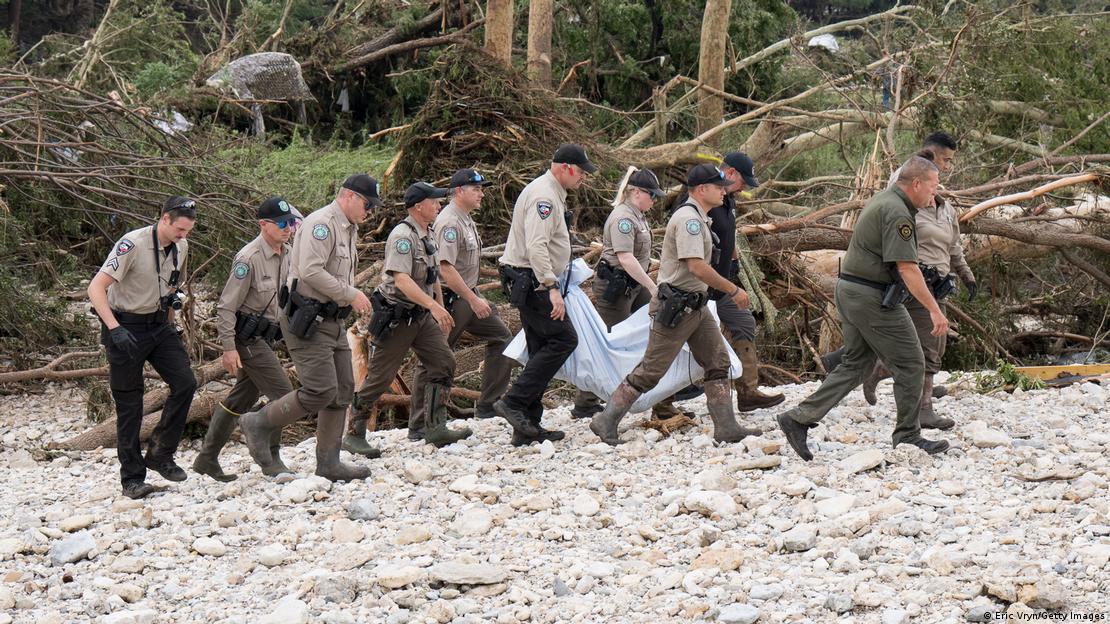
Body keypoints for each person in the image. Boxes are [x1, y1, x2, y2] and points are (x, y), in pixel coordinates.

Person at [777, 155, 951, 461]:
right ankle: (908, 436)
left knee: (856, 364)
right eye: (933, 187)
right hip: (872, 297)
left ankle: (799, 418)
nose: (935, 194)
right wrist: (935, 309)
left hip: (852, 291)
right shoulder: (899, 213)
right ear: (917, 183)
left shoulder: (884, 200)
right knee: (912, 363)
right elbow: (907, 268)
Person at [590, 164, 762, 446]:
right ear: (702, 189)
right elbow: (695, 266)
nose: (723, 191)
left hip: (696, 305)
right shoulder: (688, 220)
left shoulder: (700, 217)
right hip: (678, 307)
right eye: (718, 186)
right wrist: (732, 289)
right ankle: (605, 419)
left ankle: (727, 426)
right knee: (651, 371)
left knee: (718, 362)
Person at [239, 174, 379, 481]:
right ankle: (258, 423)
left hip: (332, 319)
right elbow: (310, 271)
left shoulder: (347, 227)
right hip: (307, 320)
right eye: (368, 204)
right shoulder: (322, 224)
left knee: (342, 390)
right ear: (349, 196)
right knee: (320, 390)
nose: (370, 212)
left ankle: (329, 463)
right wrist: (350, 294)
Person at [88, 196, 199, 499]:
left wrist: (173, 318)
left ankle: (161, 453)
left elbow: (172, 287)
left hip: (160, 325)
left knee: (186, 383)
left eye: (187, 230)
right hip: (125, 326)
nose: (182, 235)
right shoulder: (132, 244)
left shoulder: (182, 246)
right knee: (130, 405)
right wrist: (115, 329)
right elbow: (96, 288)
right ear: (164, 219)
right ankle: (132, 479)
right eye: (179, 229)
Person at [347, 181, 473, 450]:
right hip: (397, 317)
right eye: (434, 202)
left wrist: (439, 305)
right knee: (379, 378)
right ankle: (355, 432)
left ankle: (434, 427)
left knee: (443, 362)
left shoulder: (427, 233)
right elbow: (402, 280)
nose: (439, 206)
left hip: (421, 316)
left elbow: (433, 272)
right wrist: (433, 306)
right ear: (419, 206)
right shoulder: (402, 237)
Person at [193, 197, 299, 482]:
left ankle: (206, 458)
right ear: (263, 225)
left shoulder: (289, 253)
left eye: (291, 223)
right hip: (246, 338)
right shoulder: (248, 258)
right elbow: (226, 307)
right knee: (284, 395)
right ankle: (271, 457)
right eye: (281, 224)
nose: (288, 228)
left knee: (243, 396)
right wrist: (229, 348)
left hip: (266, 337)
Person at [494, 144, 593, 445]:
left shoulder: (550, 193)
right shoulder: (544, 196)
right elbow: (536, 246)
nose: (584, 178)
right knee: (564, 339)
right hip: (534, 281)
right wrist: (551, 288)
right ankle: (513, 402)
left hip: (529, 278)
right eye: (581, 172)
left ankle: (527, 426)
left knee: (539, 347)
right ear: (566, 167)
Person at [671, 153, 784, 412]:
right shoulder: (697, 205)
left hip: (721, 282)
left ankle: (748, 392)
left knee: (743, 321)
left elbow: (728, 234)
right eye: (744, 180)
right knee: (678, 341)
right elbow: (694, 252)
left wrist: (734, 267)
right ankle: (665, 400)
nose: (744, 188)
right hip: (696, 285)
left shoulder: (728, 200)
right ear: (730, 172)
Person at [405, 169, 515, 433]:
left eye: (481, 189)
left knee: (502, 338)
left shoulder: (465, 219)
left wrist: (476, 297)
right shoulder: (450, 222)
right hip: (452, 301)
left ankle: (489, 405)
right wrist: (472, 299)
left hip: (468, 295)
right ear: (459, 191)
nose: (481, 194)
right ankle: (419, 422)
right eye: (475, 189)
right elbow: (446, 269)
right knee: (435, 357)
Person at [570, 167, 679, 421]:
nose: (654, 200)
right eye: (651, 194)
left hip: (633, 285)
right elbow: (626, 258)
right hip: (616, 287)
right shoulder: (623, 217)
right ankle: (585, 402)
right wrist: (652, 286)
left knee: (655, 328)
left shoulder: (638, 215)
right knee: (608, 343)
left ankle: (658, 397)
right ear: (636, 192)